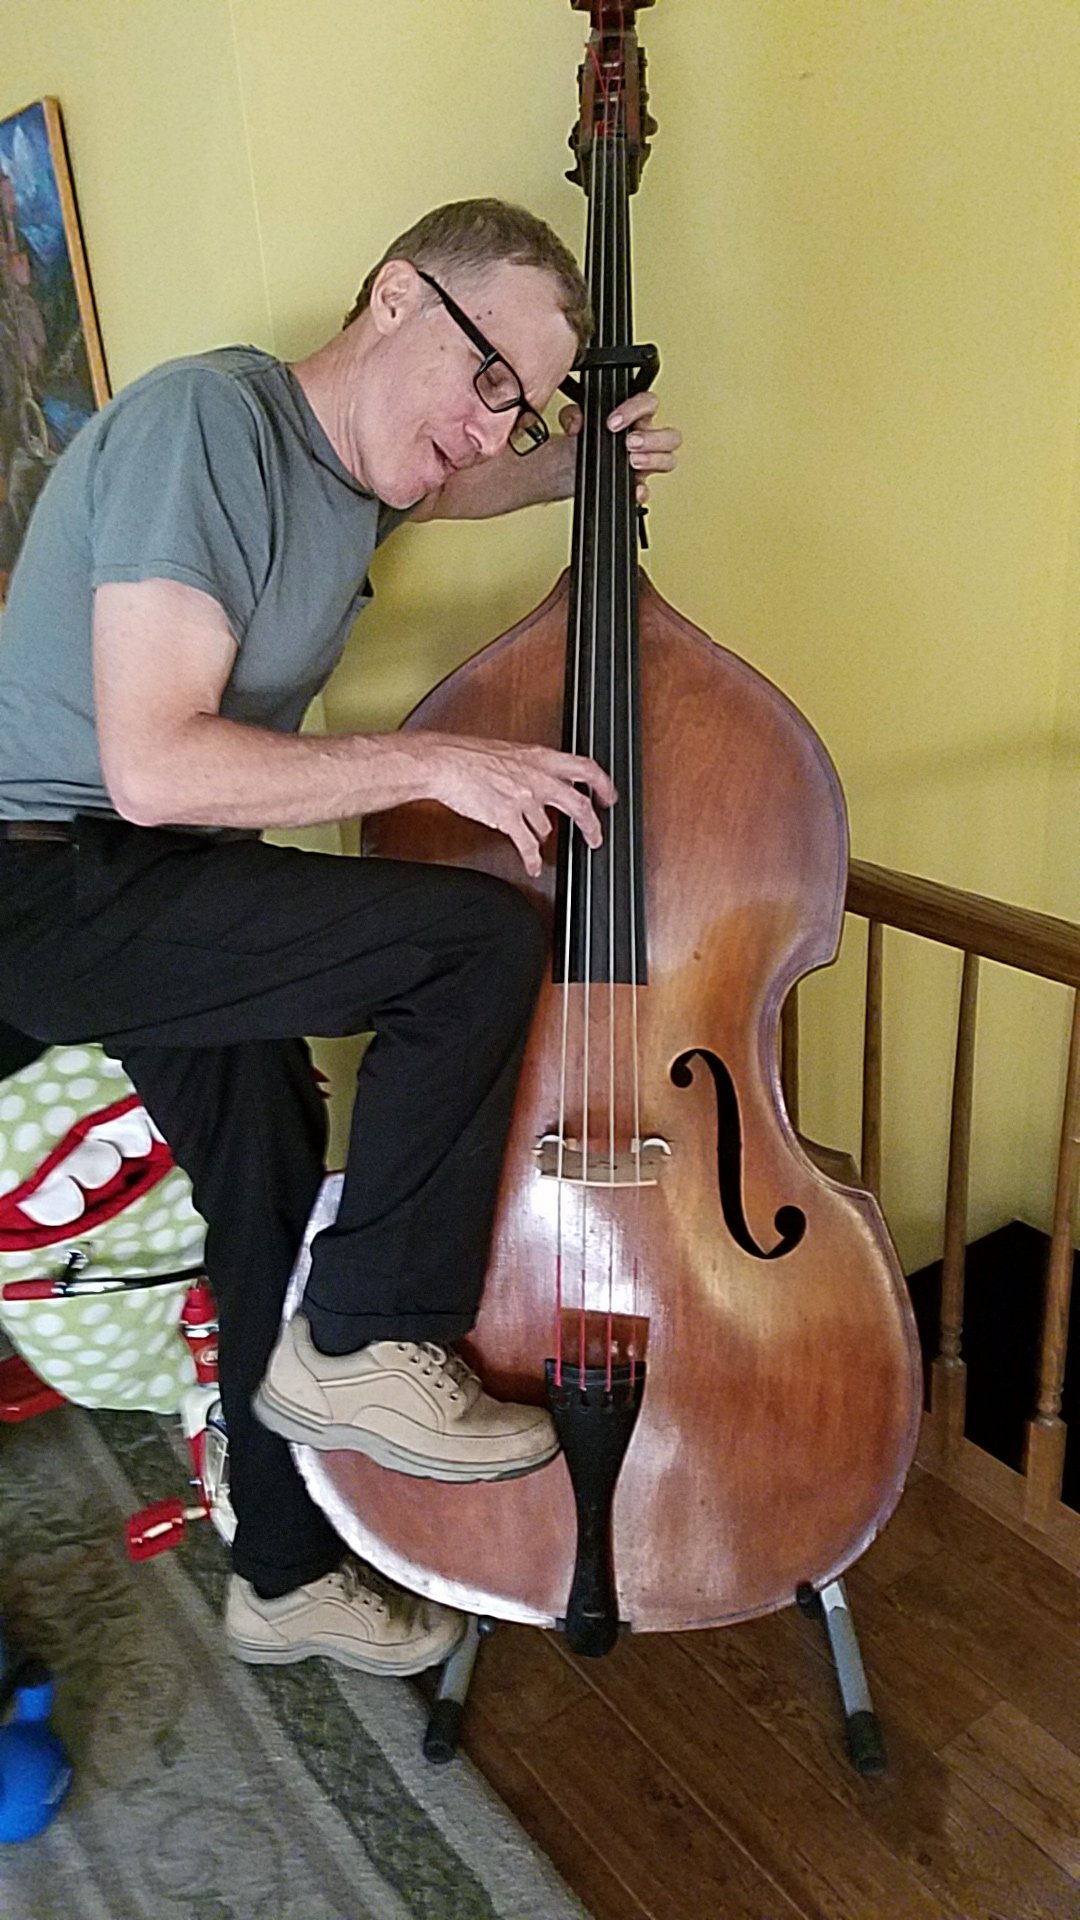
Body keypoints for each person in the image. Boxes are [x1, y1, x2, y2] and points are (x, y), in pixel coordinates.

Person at [0, 199, 680, 1677]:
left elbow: (456, 488)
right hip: (54, 877)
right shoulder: (209, 427)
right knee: (475, 942)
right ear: (396, 295)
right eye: (489, 379)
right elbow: (152, 767)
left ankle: (284, 1576)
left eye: (523, 407)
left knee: (266, 1195)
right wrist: (435, 763)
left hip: (156, 879)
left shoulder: (354, 474)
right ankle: (371, 1341)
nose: (492, 431)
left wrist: (581, 460)